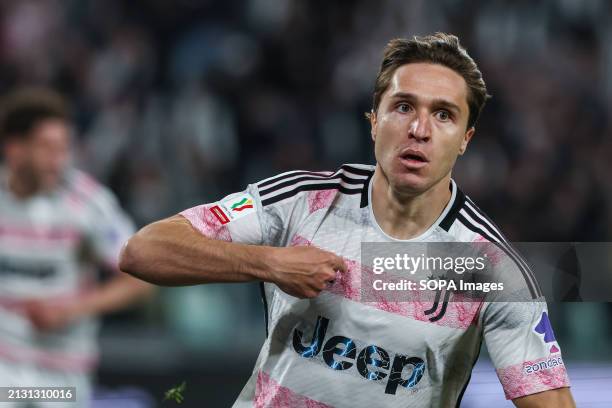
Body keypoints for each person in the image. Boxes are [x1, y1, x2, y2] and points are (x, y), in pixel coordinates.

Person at [120, 33, 575, 407]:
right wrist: (270, 263)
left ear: (465, 140)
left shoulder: (489, 268)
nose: (419, 129)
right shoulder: (302, 200)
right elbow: (143, 251)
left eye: (443, 115)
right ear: (374, 121)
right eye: (403, 107)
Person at [0, 88, 153, 407]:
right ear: (15, 150)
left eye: (64, 148)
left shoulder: (86, 204)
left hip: (60, 380)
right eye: (47, 148)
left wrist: (70, 310)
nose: (59, 160)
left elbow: (142, 278)